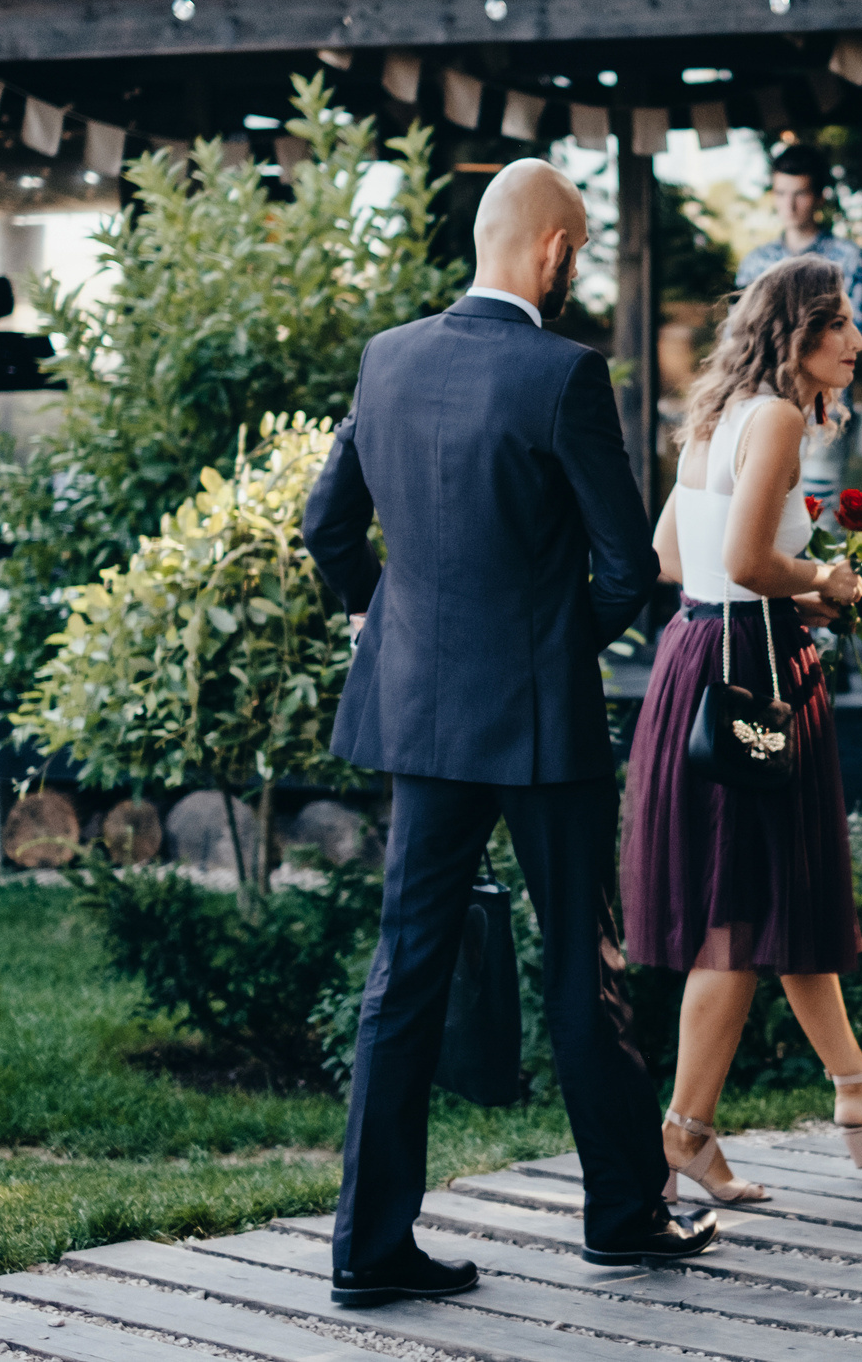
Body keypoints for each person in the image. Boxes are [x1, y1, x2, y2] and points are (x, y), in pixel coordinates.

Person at [303, 159, 716, 1304]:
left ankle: (367, 1249)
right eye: (575, 248)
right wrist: (546, 647)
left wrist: (372, 623)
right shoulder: (563, 374)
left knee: (404, 975)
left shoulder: (388, 359)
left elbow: (325, 524)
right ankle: (625, 1219)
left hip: (419, 716)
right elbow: (629, 567)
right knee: (584, 972)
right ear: (550, 252)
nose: (573, 265)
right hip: (537, 725)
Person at [622, 254, 862, 1203]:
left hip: (702, 656)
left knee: (774, 895)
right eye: (838, 323)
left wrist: (774, 590)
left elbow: (671, 554)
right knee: (735, 915)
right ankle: (682, 1128)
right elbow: (747, 556)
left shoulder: (719, 414)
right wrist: (827, 584)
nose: (856, 340)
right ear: (795, 331)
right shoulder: (773, 420)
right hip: (750, 672)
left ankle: (853, 1084)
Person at [735, 145, 862, 503]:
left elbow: (850, 336)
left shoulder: (845, 258)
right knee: (765, 513)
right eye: (780, 193)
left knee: (818, 514)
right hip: (762, 405)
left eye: (800, 194)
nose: (789, 205)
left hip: (823, 408)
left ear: (818, 197)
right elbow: (741, 342)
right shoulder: (755, 264)